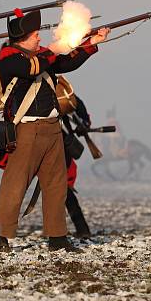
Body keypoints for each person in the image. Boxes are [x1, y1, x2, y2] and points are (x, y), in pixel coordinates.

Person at [0, 7, 108, 253]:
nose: (39, 38)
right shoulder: (9, 58)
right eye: (35, 35)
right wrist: (57, 47)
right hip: (27, 129)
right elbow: (31, 68)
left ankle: (58, 237)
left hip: (52, 127)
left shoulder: (42, 55)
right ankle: (0, 237)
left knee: (56, 184)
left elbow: (66, 62)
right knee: (15, 184)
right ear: (23, 39)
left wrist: (91, 43)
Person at [60, 95, 93, 239]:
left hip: (59, 140)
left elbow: (75, 103)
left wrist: (84, 122)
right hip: (40, 139)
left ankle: (0, 229)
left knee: (63, 188)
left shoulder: (59, 89)